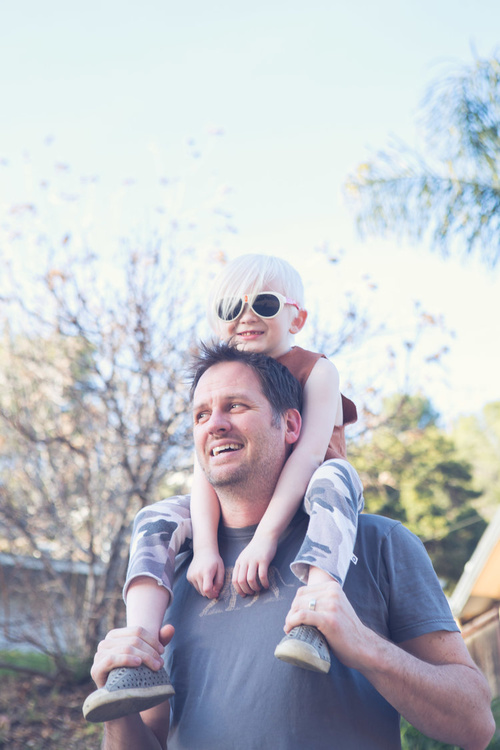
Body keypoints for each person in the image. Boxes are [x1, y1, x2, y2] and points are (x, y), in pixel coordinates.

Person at [88, 343, 495, 750]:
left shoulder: (377, 542)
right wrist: (118, 709)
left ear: (291, 425)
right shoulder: (168, 576)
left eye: (236, 406)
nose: (216, 424)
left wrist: (366, 646)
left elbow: (476, 725)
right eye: (201, 415)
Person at [83, 254, 363, 722]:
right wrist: (207, 549)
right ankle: (140, 650)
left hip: (315, 492)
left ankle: (315, 614)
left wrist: (265, 537)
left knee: (337, 476)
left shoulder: (317, 370)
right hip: (243, 497)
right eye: (231, 307)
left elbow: (310, 456)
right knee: (155, 516)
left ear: (297, 318)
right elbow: (204, 475)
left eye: (265, 303)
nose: (246, 315)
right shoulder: (221, 379)